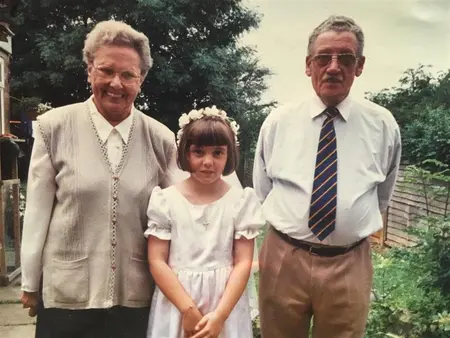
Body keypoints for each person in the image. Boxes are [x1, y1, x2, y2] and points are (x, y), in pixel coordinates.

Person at [19, 20, 241, 338]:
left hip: (135, 299)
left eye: (128, 75)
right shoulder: (53, 128)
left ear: (141, 79)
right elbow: (38, 212)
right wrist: (30, 282)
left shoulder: (160, 138)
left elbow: (190, 203)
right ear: (89, 70)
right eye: (106, 71)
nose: (116, 83)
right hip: (66, 295)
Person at [253, 15, 402, 338]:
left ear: (359, 65)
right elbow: (263, 188)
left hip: (349, 261)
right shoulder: (279, 122)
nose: (333, 67)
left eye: (345, 58)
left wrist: (347, 221)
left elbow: (382, 193)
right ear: (309, 65)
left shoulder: (382, 126)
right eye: (324, 57)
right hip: (284, 257)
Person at [145, 107, 264, 338]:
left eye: (217, 153)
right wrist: (187, 309)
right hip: (178, 302)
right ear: (186, 154)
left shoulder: (240, 201)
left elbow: (243, 262)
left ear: (229, 155)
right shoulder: (166, 200)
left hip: (224, 303)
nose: (208, 161)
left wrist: (220, 315)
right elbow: (157, 260)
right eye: (199, 152)